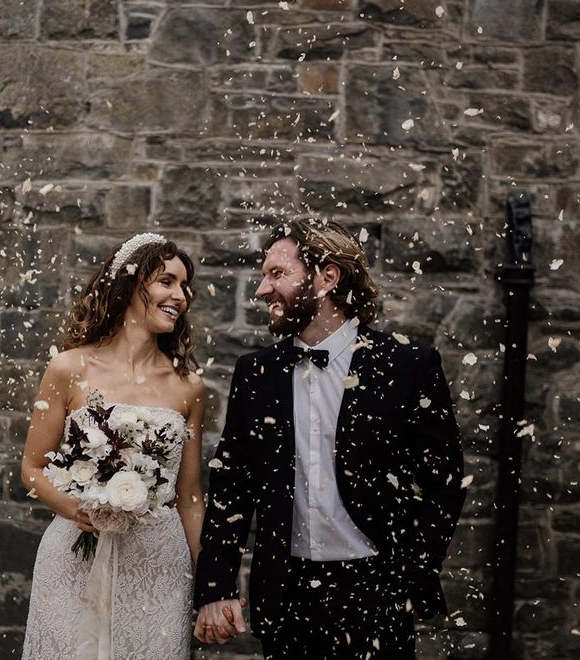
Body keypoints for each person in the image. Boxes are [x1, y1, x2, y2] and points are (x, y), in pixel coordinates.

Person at [194, 218, 466, 659]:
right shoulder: (256, 373)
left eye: (277, 274)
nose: (262, 291)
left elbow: (443, 483)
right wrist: (215, 587)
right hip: (287, 595)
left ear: (327, 277)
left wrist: (409, 571)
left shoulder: (408, 366)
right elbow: (233, 489)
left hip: (376, 594)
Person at [21, 233, 205, 660]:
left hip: (157, 566)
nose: (180, 296)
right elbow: (31, 469)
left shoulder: (189, 387)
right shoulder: (68, 368)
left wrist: (210, 583)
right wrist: (76, 510)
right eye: (166, 282)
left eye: (184, 287)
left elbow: (190, 498)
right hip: (74, 557)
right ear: (128, 285)